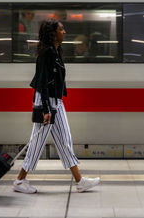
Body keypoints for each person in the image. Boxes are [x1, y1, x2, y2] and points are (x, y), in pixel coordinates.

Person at [13, 18, 100, 194]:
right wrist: (45, 108)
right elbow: (43, 82)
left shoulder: (56, 50)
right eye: (61, 29)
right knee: (37, 142)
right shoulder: (46, 53)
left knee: (64, 140)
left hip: (55, 101)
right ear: (53, 33)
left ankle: (80, 181)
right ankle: (20, 181)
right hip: (47, 102)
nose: (65, 32)